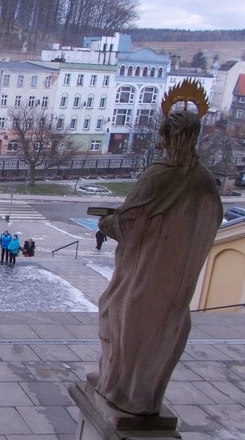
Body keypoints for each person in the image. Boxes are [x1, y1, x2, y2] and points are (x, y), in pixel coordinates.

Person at [91, 100, 222, 416]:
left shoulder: (160, 175)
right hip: (179, 279)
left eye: (163, 136)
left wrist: (106, 222)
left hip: (146, 272)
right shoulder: (205, 180)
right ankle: (142, 393)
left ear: (172, 137)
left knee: (121, 321)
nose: (159, 143)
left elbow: (126, 223)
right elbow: (212, 219)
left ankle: (119, 388)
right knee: (162, 334)